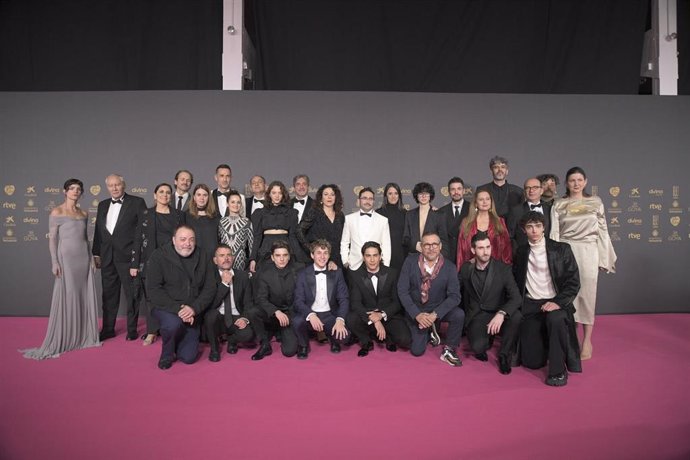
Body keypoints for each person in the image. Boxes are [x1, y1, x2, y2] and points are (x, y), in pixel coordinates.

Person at [21, 179, 100, 359]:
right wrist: (55, 262)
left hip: (83, 258)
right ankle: (66, 336)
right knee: (69, 294)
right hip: (67, 259)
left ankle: (82, 336)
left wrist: (91, 259)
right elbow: (52, 239)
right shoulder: (57, 211)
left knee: (82, 294)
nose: (75, 192)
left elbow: (85, 239)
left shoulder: (84, 213)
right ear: (65, 191)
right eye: (72, 189)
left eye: (78, 189)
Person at [550, 166, 617, 360]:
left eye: (579, 180)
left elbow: (603, 230)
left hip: (589, 251)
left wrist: (604, 258)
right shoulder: (559, 204)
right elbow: (555, 232)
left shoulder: (595, 202)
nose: (576, 184)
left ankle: (587, 340)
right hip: (566, 252)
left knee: (587, 296)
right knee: (567, 296)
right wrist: (555, 259)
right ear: (567, 183)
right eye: (572, 180)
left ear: (586, 182)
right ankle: (571, 340)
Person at [514, 211, 582, 386]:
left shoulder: (562, 249)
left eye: (537, 226)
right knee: (532, 362)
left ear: (544, 227)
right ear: (524, 230)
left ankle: (558, 371)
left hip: (555, 302)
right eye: (529, 227)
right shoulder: (521, 251)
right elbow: (517, 281)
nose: (534, 230)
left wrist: (557, 303)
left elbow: (573, 283)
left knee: (556, 319)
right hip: (531, 305)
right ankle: (546, 348)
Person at [146, 225, 216, 370]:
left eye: (191, 240)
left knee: (188, 358)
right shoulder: (158, 256)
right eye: (182, 239)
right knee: (173, 324)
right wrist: (179, 309)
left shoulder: (203, 256)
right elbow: (154, 291)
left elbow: (210, 288)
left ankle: (177, 340)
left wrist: (194, 308)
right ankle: (167, 353)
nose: (187, 243)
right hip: (166, 308)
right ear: (173, 240)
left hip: (192, 310)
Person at [92, 173, 146, 341]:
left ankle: (131, 330)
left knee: (132, 295)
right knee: (108, 295)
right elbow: (98, 232)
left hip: (128, 258)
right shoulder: (102, 205)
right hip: (107, 257)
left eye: (117, 185)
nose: (114, 188)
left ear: (123, 185)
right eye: (110, 185)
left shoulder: (137, 202)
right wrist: (96, 253)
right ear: (107, 187)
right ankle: (108, 329)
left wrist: (136, 261)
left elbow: (141, 233)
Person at [458, 232, 522, 374]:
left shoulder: (503, 269)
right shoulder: (466, 269)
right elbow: (455, 291)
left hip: (500, 312)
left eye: (488, 247)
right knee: (477, 348)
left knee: (516, 316)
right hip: (479, 314)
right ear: (473, 250)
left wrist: (501, 313)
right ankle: (488, 338)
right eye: (481, 248)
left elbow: (516, 298)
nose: (486, 251)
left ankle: (504, 355)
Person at [398, 232, 463, 366]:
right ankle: (430, 330)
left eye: (434, 244)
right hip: (417, 309)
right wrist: (417, 315)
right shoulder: (410, 262)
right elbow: (402, 291)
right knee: (417, 351)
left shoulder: (450, 267)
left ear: (440, 246)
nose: (431, 248)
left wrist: (435, 315)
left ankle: (449, 349)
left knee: (458, 314)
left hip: (437, 309)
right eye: (427, 245)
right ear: (421, 247)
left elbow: (455, 296)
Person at [132, 183, 186, 346]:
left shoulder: (179, 215)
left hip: (175, 261)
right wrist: (134, 264)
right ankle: (151, 331)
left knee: (173, 294)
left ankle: (172, 327)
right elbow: (138, 239)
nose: (164, 195)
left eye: (168, 192)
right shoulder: (146, 214)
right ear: (155, 195)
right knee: (151, 297)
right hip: (151, 262)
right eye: (161, 192)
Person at [347, 241, 411, 357]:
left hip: (388, 315)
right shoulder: (355, 275)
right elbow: (356, 303)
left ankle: (388, 337)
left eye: (375, 255)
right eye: (368, 256)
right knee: (351, 318)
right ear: (363, 257)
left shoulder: (392, 273)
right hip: (368, 316)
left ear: (380, 256)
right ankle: (366, 341)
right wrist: (375, 320)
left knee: (405, 340)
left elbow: (397, 302)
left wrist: (381, 315)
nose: (372, 260)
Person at [245, 241, 303, 360]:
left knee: (289, 351)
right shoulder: (265, 273)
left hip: (289, 314)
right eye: (278, 255)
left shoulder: (298, 270)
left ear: (289, 256)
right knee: (253, 311)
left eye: (284, 255)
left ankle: (281, 332)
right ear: (272, 257)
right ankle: (265, 344)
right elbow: (261, 298)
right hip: (272, 313)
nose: (281, 259)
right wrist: (276, 311)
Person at [293, 239, 350, 359]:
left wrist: (340, 320)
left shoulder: (337, 273)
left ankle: (333, 340)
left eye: (325, 253)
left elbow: (343, 298)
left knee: (345, 338)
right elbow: (298, 301)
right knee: (297, 321)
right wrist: (310, 315)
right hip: (310, 314)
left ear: (329, 255)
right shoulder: (302, 274)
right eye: (318, 253)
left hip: (329, 315)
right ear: (312, 255)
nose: (322, 256)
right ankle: (303, 345)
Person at [203, 245, 255, 362]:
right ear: (215, 260)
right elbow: (210, 304)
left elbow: (248, 303)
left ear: (233, 258)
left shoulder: (242, 276)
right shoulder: (209, 277)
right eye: (222, 256)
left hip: (236, 317)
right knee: (210, 315)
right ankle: (215, 349)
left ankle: (232, 340)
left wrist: (244, 318)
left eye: (229, 255)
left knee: (249, 335)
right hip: (218, 318)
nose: (226, 258)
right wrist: (224, 285)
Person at [249, 181, 301, 273]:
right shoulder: (260, 213)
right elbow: (257, 237)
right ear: (269, 194)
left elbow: (293, 236)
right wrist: (253, 258)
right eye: (274, 193)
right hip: (266, 248)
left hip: (285, 245)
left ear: (283, 195)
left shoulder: (291, 213)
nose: (277, 196)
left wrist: (298, 256)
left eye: (280, 193)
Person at [456, 190, 512, 267]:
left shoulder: (500, 221)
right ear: (476, 203)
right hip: (472, 269)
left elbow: (506, 248)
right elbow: (461, 250)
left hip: (495, 269)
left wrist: (506, 268)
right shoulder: (466, 222)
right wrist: (461, 270)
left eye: (487, 199)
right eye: (481, 199)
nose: (485, 202)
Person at [340, 187, 391, 270]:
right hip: (354, 266)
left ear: (374, 201)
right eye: (364, 198)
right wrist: (345, 261)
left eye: (370, 199)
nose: (368, 201)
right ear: (359, 200)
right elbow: (344, 242)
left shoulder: (383, 220)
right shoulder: (349, 219)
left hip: (376, 266)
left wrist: (385, 265)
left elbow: (386, 245)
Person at [297, 184, 345, 267]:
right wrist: (311, 249)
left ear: (336, 198)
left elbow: (343, 239)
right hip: (319, 259)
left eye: (332, 194)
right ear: (321, 198)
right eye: (326, 194)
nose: (329, 197)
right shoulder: (314, 212)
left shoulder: (340, 215)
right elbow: (299, 231)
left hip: (337, 260)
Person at [403, 182, 449, 259]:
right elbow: (405, 238)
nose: (423, 196)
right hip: (415, 256)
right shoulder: (409, 215)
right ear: (416, 196)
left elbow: (443, 240)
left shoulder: (439, 215)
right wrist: (415, 245)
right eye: (421, 194)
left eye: (426, 193)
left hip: (433, 257)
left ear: (430, 195)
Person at [506, 177, 551, 253]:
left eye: (535, 187)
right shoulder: (515, 211)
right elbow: (510, 237)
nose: (531, 190)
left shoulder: (550, 209)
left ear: (541, 191)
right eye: (528, 188)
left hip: (548, 253)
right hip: (524, 255)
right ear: (524, 192)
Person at [218, 190, 253, 271]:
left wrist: (251, 262)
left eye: (238, 202)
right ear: (227, 203)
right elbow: (219, 243)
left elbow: (251, 246)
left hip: (241, 263)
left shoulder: (247, 222)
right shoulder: (221, 222)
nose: (236, 205)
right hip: (224, 262)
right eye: (233, 202)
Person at [376, 182, 408, 270]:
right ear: (386, 196)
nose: (393, 196)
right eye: (390, 193)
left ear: (399, 196)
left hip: (401, 255)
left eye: (396, 193)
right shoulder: (378, 213)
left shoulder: (406, 214)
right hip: (383, 255)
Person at [438, 177, 470, 262]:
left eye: (459, 189)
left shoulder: (473, 209)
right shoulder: (441, 211)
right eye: (453, 189)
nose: (456, 192)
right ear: (449, 192)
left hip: (467, 255)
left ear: (464, 191)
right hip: (447, 257)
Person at [186, 183, 220, 252]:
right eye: (198, 195)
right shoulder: (186, 216)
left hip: (212, 257)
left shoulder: (216, 216)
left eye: (205, 195)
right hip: (193, 256)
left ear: (208, 198)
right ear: (194, 197)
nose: (202, 198)